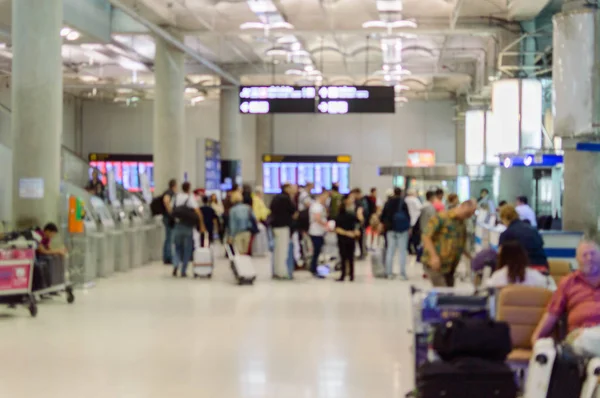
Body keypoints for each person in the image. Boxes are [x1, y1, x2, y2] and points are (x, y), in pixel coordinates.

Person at [531, 240, 600, 349]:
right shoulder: (568, 282)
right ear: (577, 259)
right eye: (584, 255)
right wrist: (536, 337)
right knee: (587, 338)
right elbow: (552, 313)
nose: (589, 258)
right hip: (580, 335)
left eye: (593, 254)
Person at [421, 200, 476, 287]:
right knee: (443, 292)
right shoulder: (441, 217)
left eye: (470, 215)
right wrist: (433, 256)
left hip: (450, 266)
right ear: (462, 206)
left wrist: (471, 258)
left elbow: (461, 244)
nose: (468, 216)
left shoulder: (461, 223)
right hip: (436, 264)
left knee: (449, 292)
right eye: (467, 213)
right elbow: (426, 236)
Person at [485, 241, 556, 290]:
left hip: (504, 312)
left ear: (502, 258)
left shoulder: (498, 277)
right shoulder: (536, 277)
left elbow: (487, 289)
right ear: (523, 256)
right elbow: (551, 290)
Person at [498, 204, 548, 272]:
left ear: (504, 218)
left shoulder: (506, 234)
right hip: (542, 268)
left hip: (522, 271)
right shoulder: (533, 230)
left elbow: (501, 256)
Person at [171, 182, 204, 277]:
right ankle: (183, 270)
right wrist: (201, 225)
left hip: (178, 225)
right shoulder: (190, 198)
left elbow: (171, 209)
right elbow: (197, 211)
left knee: (177, 247)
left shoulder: (176, 197)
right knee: (187, 249)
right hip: (188, 226)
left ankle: (176, 264)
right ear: (189, 188)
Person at [381, 187, 411, 280]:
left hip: (390, 230)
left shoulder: (388, 203)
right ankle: (402, 274)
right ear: (401, 193)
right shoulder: (403, 203)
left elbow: (382, 217)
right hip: (402, 229)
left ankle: (389, 273)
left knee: (390, 251)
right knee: (402, 252)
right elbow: (408, 216)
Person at [270, 183, 297, 279]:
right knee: (282, 251)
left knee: (277, 250)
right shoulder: (286, 199)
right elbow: (293, 211)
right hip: (283, 226)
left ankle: (276, 270)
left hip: (275, 226)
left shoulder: (276, 198)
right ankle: (282, 272)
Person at [335, 194, 360, 282]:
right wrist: (349, 233)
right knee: (347, 257)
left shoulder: (351, 213)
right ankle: (348, 274)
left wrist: (354, 231)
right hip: (346, 237)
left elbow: (358, 222)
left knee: (347, 257)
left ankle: (347, 275)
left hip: (346, 237)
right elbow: (337, 228)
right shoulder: (343, 214)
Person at [308, 192, 329, 278]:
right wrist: (326, 225)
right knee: (316, 251)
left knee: (318, 251)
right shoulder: (317, 206)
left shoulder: (319, 206)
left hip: (319, 231)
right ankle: (313, 268)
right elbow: (317, 218)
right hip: (316, 232)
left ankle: (314, 267)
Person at [160, 179, 177, 265]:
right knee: (169, 237)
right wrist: (171, 212)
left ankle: (168, 255)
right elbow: (166, 201)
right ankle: (168, 257)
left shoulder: (168, 192)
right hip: (168, 218)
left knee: (169, 237)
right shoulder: (169, 192)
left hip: (167, 217)